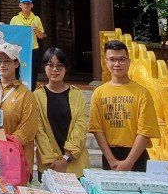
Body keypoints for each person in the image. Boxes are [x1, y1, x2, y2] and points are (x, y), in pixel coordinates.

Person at [89, 39, 160, 172]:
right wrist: (111, 160)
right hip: (110, 157)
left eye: (122, 59)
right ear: (106, 62)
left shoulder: (142, 93)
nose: (117, 64)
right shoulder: (99, 93)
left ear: (129, 61)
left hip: (137, 156)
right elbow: (97, 129)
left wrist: (129, 162)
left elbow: (145, 131)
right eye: (112, 60)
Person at [0, 42, 40, 163]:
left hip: (16, 160)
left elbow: (27, 131)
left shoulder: (26, 95)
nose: (2, 65)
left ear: (16, 63)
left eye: (7, 61)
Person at [33, 47, 90, 177]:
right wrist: (52, 160)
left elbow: (80, 127)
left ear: (66, 68)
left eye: (59, 66)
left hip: (75, 163)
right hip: (49, 165)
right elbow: (39, 131)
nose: (55, 70)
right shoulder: (37, 96)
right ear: (44, 67)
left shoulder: (77, 94)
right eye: (50, 65)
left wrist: (66, 158)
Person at [8, 0, 46, 82]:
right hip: (18, 49)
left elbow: (41, 36)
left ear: (32, 5)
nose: (26, 5)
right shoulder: (14, 19)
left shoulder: (36, 19)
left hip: (33, 49)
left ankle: (31, 91)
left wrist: (36, 30)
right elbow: (10, 34)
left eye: (28, 3)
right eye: (24, 3)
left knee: (33, 72)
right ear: (20, 5)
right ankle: (17, 91)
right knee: (16, 70)